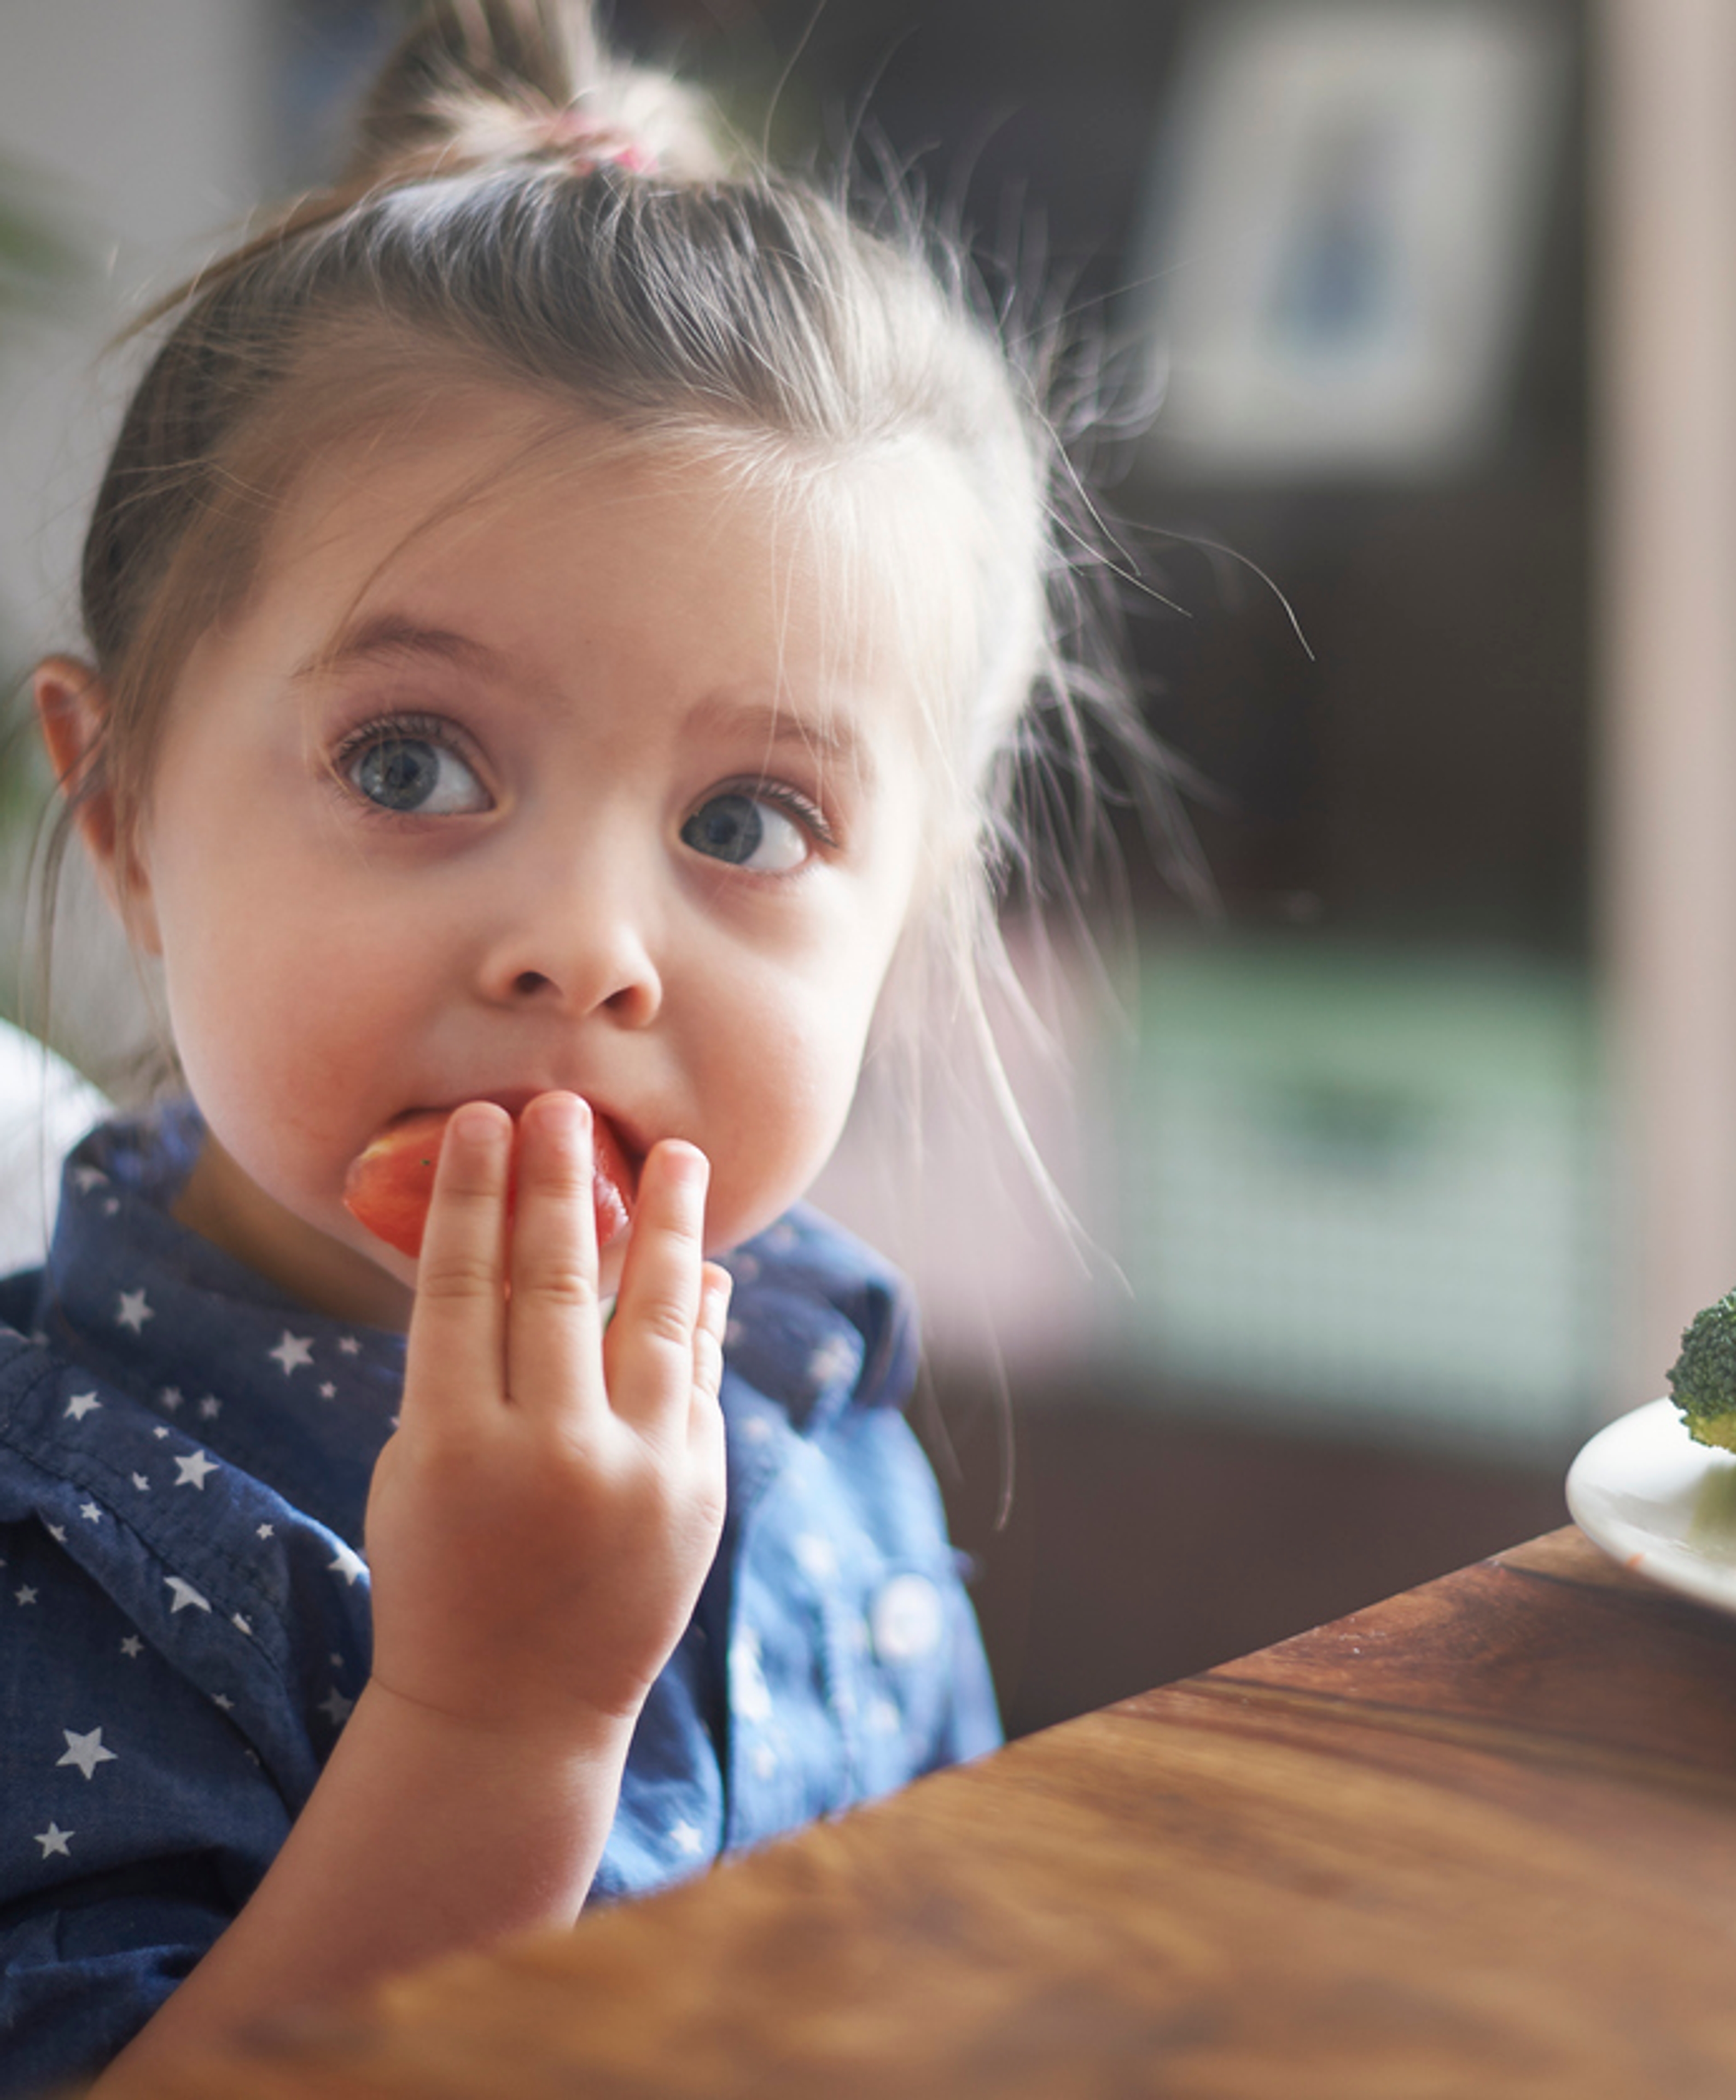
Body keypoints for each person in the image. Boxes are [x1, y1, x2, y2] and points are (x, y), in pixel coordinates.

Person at [0, 2, 1138, 2087]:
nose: (588, 949)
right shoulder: (53, 1541)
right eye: (414, 762)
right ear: (127, 813)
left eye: (746, 825)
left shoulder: (817, 1397)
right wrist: (499, 1722)